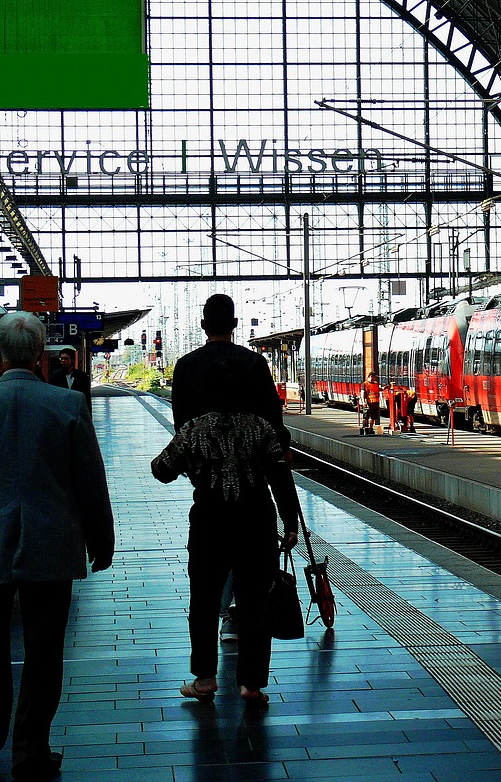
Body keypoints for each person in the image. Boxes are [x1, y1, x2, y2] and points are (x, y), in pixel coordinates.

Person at [0, 311, 114, 779]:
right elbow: (90, 480)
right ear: (40, 355)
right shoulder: (67, 404)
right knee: (43, 650)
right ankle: (30, 750)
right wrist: (101, 539)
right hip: (51, 545)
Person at [167, 294, 297, 704]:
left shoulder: (186, 367)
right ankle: (251, 684)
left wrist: (197, 460)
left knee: (204, 598)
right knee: (255, 599)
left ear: (203, 324)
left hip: (209, 510)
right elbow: (278, 454)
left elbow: (176, 439)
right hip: (256, 512)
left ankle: (205, 678)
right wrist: (291, 522)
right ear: (235, 323)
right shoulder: (256, 368)